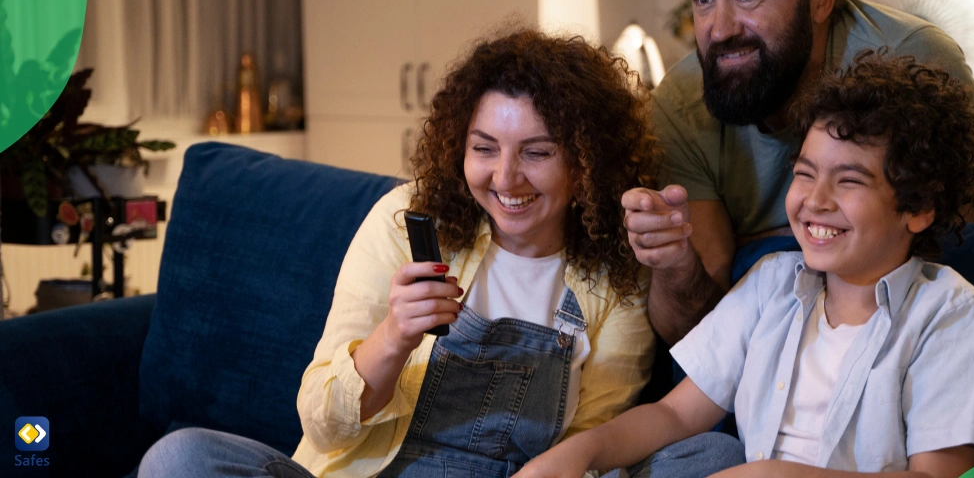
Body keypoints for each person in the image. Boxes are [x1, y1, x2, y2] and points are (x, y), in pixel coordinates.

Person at [138, 29, 701, 478]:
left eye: (537, 152)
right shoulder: (405, 221)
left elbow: (590, 444)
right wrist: (393, 338)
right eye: (484, 148)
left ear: (586, 161)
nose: (505, 177)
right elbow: (320, 421)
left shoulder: (614, 270)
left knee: (709, 459)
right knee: (179, 458)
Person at [517, 50, 974, 478]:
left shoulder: (950, 314)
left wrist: (777, 475)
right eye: (805, 173)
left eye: (850, 181)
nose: (815, 200)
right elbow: (674, 415)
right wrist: (581, 451)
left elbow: (940, 477)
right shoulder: (771, 283)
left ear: (919, 207)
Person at [622, 0, 974, 346]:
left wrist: (763, 242)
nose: (719, 29)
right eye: (703, 0)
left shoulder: (915, 59)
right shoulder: (682, 100)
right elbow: (700, 335)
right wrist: (674, 265)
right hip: (762, 355)